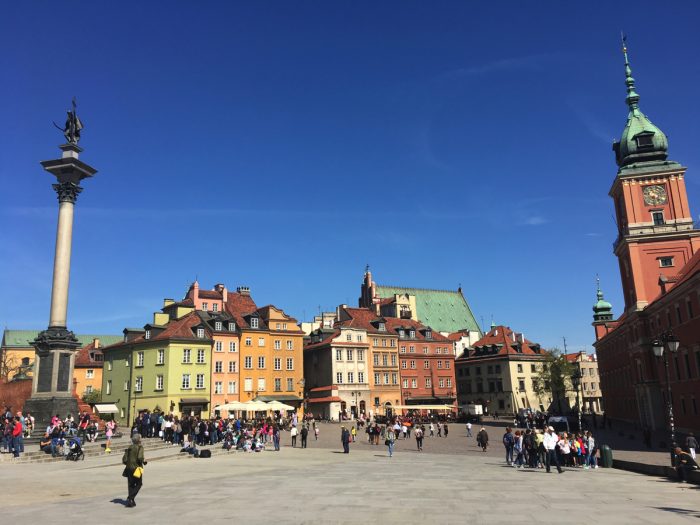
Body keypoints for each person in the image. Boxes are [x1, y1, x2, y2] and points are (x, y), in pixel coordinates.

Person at [122, 433, 146, 507]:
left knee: (131, 484)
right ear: (139, 440)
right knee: (139, 483)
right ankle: (131, 498)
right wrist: (144, 461)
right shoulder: (140, 447)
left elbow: (124, 460)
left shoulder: (129, 447)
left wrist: (129, 463)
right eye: (140, 438)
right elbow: (140, 458)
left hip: (128, 468)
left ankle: (131, 501)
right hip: (137, 468)